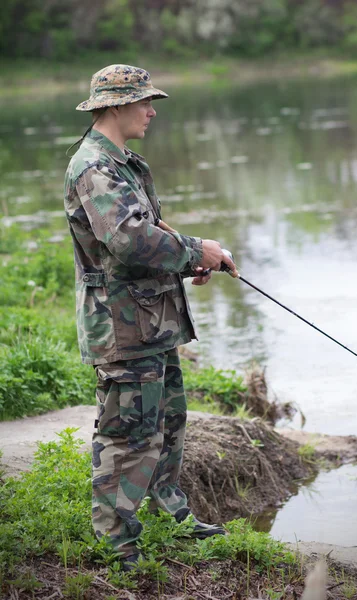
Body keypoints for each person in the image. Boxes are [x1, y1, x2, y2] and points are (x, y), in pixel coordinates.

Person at [64, 64, 238, 571]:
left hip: (150, 322)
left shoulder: (124, 162)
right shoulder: (94, 166)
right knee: (128, 435)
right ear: (115, 106)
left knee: (168, 423)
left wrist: (194, 260)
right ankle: (116, 544)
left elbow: (146, 230)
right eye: (144, 101)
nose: (151, 110)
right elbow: (129, 241)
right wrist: (193, 250)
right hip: (122, 328)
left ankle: (171, 518)